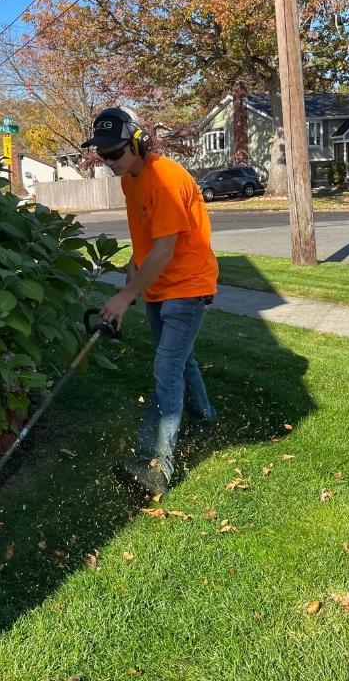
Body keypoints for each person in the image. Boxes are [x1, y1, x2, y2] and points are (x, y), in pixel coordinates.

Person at [83, 106, 219, 495]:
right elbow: (145, 243)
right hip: (159, 287)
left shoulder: (165, 178)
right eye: (102, 154)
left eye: (115, 153)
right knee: (181, 359)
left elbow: (163, 250)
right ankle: (205, 416)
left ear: (139, 143)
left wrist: (126, 297)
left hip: (188, 287)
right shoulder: (131, 179)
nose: (108, 161)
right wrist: (130, 280)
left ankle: (155, 465)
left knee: (166, 369)